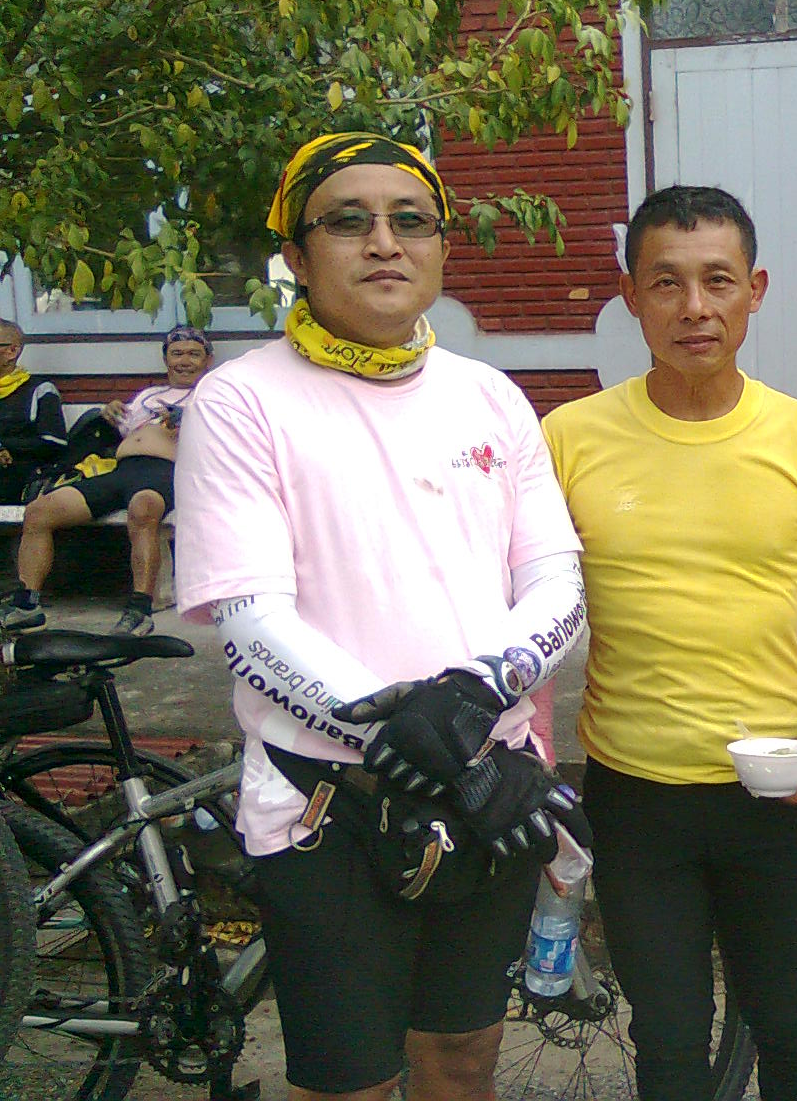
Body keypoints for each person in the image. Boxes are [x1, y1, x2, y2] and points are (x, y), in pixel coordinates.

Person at [172, 132, 591, 1101]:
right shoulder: (239, 400)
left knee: (462, 1058)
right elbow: (248, 616)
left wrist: (474, 694)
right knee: (348, 1084)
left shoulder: (490, 396)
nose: (384, 242)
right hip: (328, 806)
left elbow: (556, 582)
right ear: (295, 253)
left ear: (440, 246)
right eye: (347, 222)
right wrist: (398, 726)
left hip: (485, 783)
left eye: (411, 220)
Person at [541, 185, 797, 1101]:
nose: (695, 307)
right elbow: (527, 612)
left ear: (754, 290)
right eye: (667, 283)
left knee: (792, 1023)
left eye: (718, 281)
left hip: (774, 790)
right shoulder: (568, 439)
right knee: (666, 1035)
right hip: (634, 791)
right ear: (630, 295)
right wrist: (533, 758)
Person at [0, 326, 213, 635]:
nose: (184, 361)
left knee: (142, 510)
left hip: (167, 472)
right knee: (39, 511)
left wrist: (189, 421)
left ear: (208, 360)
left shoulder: (215, 395)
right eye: (177, 353)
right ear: (166, 359)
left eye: (194, 354)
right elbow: (120, 428)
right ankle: (27, 605)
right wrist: (111, 414)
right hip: (120, 470)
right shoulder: (149, 395)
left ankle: (139, 610)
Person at [0, 320, 67, 503]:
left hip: (20, 477)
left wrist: (6, 446)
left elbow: (54, 443)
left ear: (12, 351)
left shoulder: (40, 390)